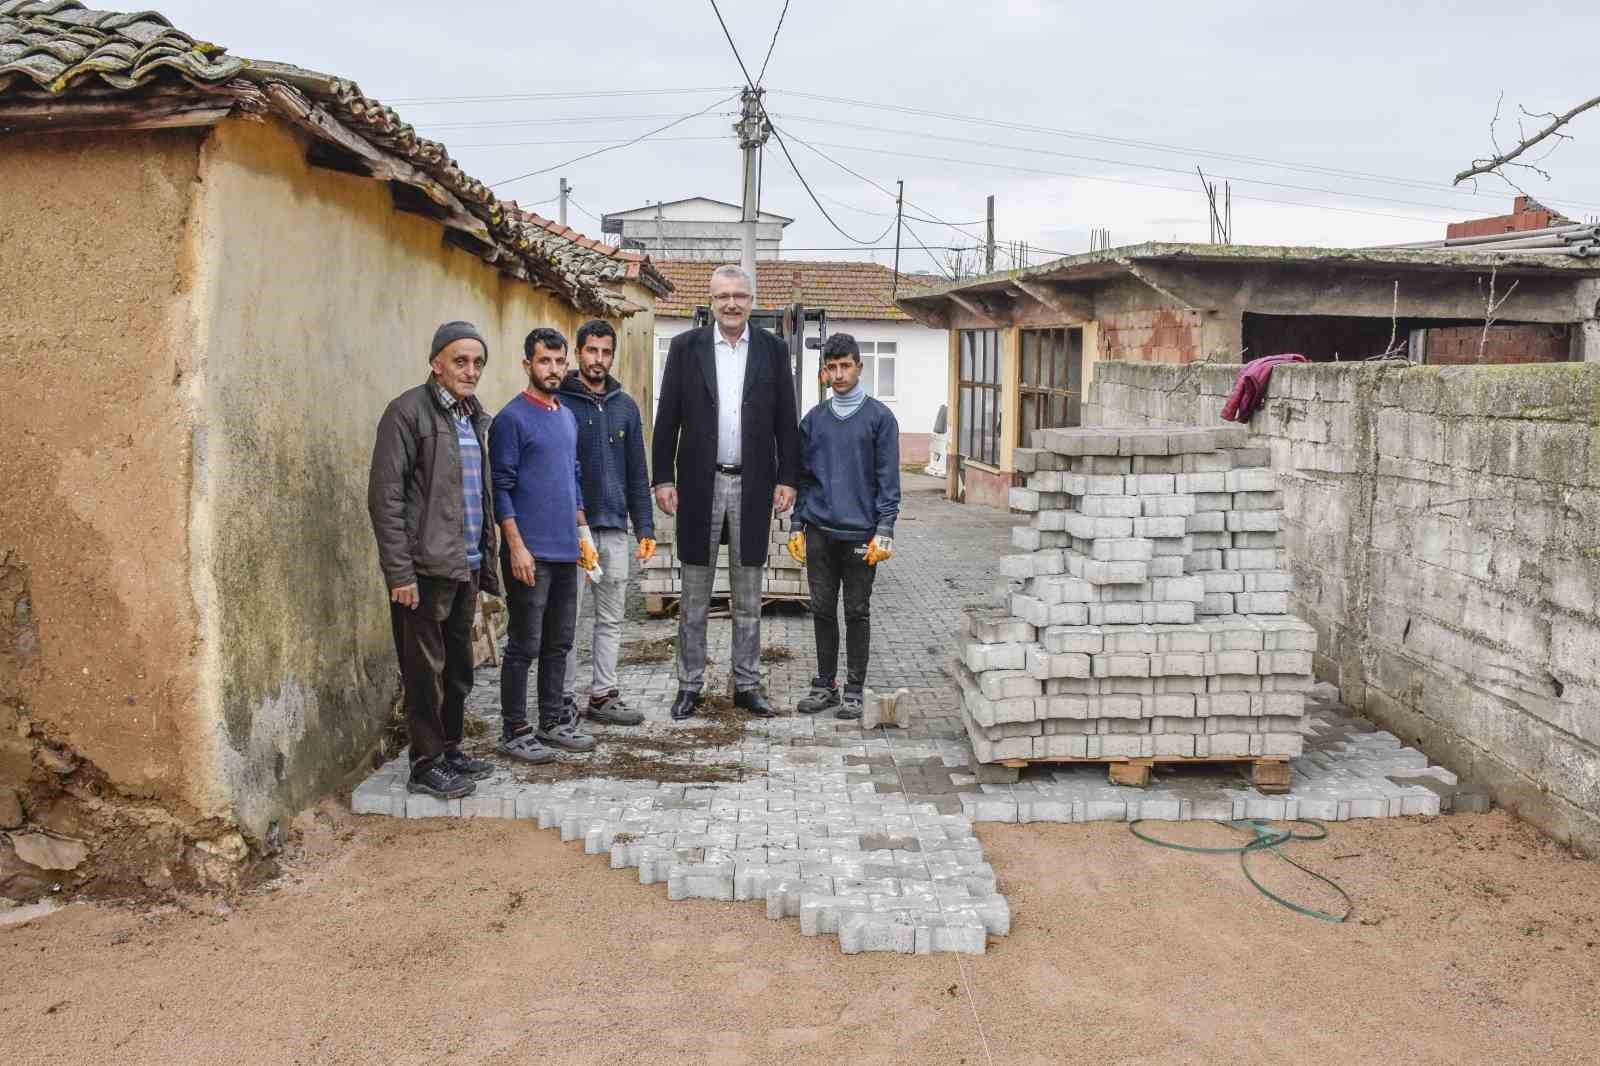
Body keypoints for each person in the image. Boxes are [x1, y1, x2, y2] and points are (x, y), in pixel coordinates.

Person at [652, 265, 800, 720]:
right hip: (700, 483)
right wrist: (663, 478)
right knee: (693, 595)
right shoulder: (685, 348)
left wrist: (788, 477)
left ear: (751, 301)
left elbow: (786, 422)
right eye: (723, 297)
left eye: (739, 295)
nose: (731, 303)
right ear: (711, 302)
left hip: (753, 485)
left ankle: (747, 685)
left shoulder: (773, 351)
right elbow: (667, 419)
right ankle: (689, 686)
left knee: (748, 595)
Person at [367, 321, 501, 799]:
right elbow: (385, 499)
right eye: (460, 360)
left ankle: (450, 749)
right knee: (424, 672)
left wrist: (485, 560)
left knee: (458, 669)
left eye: (478, 362)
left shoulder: (472, 417)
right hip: (422, 572)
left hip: (462, 564)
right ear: (436, 364)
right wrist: (399, 573)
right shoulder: (406, 413)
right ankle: (425, 763)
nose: (470, 370)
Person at [490, 327, 602, 762]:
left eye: (559, 362)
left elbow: (571, 478)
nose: (553, 370)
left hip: (565, 551)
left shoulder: (565, 416)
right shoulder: (511, 420)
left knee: (560, 642)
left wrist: (582, 534)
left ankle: (553, 721)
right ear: (527, 365)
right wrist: (515, 546)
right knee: (524, 644)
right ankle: (514, 729)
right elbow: (501, 488)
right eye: (544, 362)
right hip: (529, 555)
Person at [788, 333, 901, 720]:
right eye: (832, 368)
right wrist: (795, 524)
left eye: (845, 366)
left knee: (856, 610)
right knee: (821, 608)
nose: (839, 374)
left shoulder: (880, 419)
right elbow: (802, 477)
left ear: (859, 367)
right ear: (824, 372)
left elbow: (888, 480)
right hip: (819, 530)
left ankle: (854, 688)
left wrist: (885, 528)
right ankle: (825, 686)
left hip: (861, 535)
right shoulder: (813, 421)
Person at [558, 319, 656, 725]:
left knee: (610, 619)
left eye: (605, 352)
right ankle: (560, 699)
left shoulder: (625, 405)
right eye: (591, 351)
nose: (598, 359)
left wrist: (645, 527)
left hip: (615, 529)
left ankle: (603, 695)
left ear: (612, 356)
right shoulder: (561, 402)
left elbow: (638, 471)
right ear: (579, 353)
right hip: (571, 531)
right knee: (566, 622)